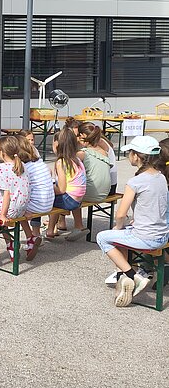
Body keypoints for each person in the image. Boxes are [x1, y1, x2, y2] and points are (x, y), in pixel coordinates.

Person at [96, 136, 169, 307]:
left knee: (103, 237)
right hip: (162, 235)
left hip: (146, 237)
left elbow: (121, 214)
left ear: (136, 156)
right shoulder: (161, 177)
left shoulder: (135, 182)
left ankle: (131, 275)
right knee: (119, 235)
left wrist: (118, 226)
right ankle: (125, 274)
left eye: (130, 152)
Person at [16, 131, 53, 259]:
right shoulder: (40, 163)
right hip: (48, 204)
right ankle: (32, 237)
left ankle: (29, 238)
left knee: (15, 209)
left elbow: (21, 191)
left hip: (38, 206)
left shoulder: (25, 168)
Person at [72, 122, 111, 242]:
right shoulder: (104, 152)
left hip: (92, 192)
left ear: (83, 136)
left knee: (70, 192)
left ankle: (76, 226)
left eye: (78, 135)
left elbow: (70, 171)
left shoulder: (82, 153)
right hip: (105, 191)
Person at [46, 128, 86, 240]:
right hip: (79, 199)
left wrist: (47, 189)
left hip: (70, 200)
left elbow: (61, 189)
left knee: (45, 200)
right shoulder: (76, 159)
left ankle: (48, 230)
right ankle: (52, 229)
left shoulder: (61, 162)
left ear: (57, 144)